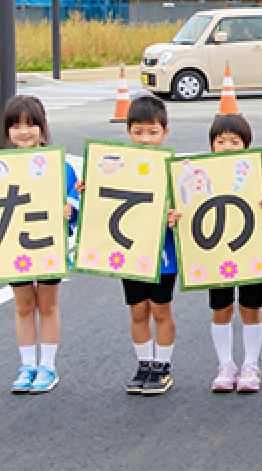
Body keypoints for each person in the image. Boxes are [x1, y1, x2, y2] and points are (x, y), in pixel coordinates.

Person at [0, 95, 76, 395]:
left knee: (47, 304)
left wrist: (70, 208)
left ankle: (48, 364)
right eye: (15, 126)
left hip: (47, 245)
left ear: (42, 127)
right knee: (24, 305)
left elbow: (74, 199)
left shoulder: (58, 164)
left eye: (30, 125)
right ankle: (27, 364)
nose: (23, 132)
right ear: (6, 131)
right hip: (15, 248)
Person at [76, 96, 182, 396]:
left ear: (165, 132)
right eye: (138, 132)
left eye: (152, 132)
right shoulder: (117, 166)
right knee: (137, 311)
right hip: (128, 253)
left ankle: (163, 366)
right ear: (128, 132)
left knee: (161, 311)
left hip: (163, 256)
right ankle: (144, 364)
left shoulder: (172, 169)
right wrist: (89, 189)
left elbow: (187, 206)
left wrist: (176, 215)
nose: (145, 139)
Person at [172, 114, 262, 393]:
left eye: (235, 141)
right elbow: (187, 209)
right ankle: (225, 364)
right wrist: (175, 218)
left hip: (249, 251)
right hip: (215, 254)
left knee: (250, 308)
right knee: (221, 309)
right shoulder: (200, 175)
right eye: (221, 141)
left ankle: (251, 364)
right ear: (211, 145)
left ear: (247, 145)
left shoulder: (255, 176)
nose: (228, 146)